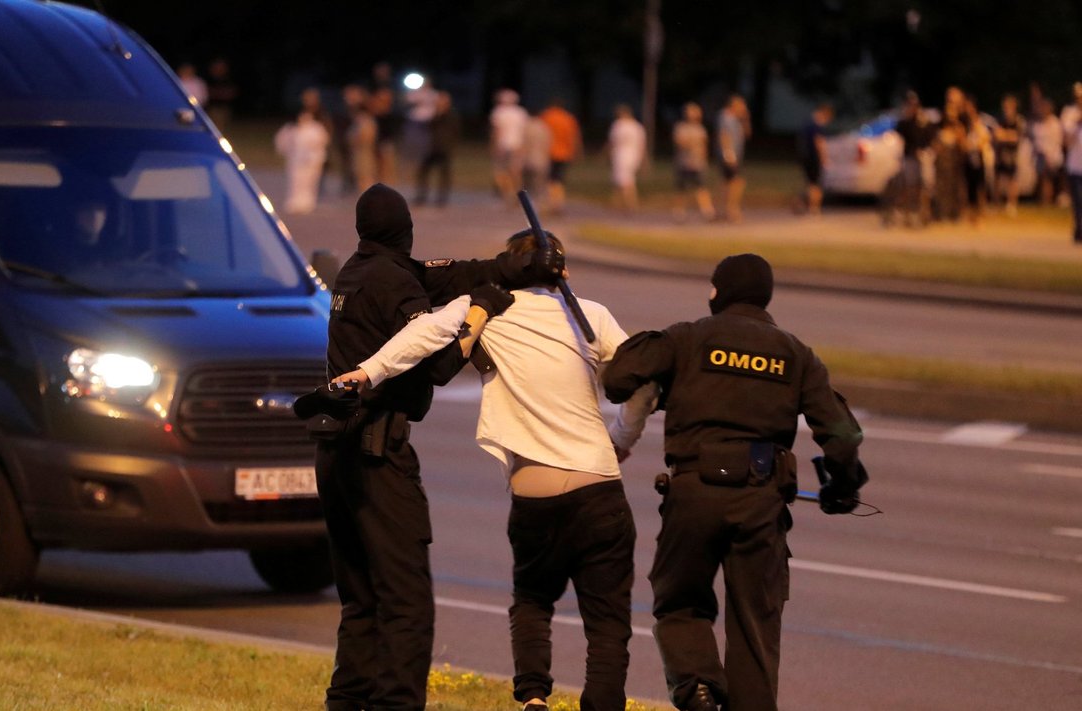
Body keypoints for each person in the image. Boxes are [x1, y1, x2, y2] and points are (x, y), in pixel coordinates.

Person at [332, 230, 656, 711]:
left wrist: (367, 371)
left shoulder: (489, 308)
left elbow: (422, 336)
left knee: (531, 602)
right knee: (607, 621)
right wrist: (622, 438)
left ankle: (533, 699)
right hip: (598, 485)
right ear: (561, 271)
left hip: (534, 492)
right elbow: (642, 378)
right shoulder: (592, 316)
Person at [303, 183, 564, 711]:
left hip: (336, 456)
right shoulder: (395, 282)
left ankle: (347, 702)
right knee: (406, 602)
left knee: (361, 601)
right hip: (378, 454)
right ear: (405, 230)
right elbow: (441, 365)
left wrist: (503, 267)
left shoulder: (357, 271)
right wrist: (483, 310)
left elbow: (442, 274)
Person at [602, 253, 867, 711]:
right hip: (760, 502)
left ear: (716, 292)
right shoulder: (796, 354)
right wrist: (840, 489)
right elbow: (842, 435)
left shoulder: (687, 338)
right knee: (755, 629)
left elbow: (619, 380)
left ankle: (698, 686)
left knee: (680, 602)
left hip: (694, 496)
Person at [890, 91, 934, 227]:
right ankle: (904, 214)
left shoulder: (922, 122)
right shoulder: (904, 123)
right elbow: (898, 135)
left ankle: (920, 214)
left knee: (923, 187)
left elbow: (928, 137)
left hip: (922, 158)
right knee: (908, 187)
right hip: (909, 158)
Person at [274, 110, 331, 214]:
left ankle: (307, 203)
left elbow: (322, 142)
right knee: (295, 181)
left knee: (309, 182)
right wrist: (286, 151)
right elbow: (282, 141)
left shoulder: (316, 129)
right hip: (296, 160)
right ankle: (294, 202)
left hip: (312, 160)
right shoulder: (292, 128)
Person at [413, 91, 459, 208]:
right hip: (431, 148)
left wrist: (450, 146)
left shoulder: (450, 115)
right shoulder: (434, 114)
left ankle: (441, 198)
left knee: (444, 174)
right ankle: (422, 196)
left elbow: (455, 132)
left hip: (443, 148)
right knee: (423, 171)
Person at [671, 102, 715, 222]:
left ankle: (707, 211)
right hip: (683, 162)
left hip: (697, 163)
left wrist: (704, 160)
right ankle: (679, 212)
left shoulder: (700, 129)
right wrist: (690, 144)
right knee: (681, 188)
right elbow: (679, 143)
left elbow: (704, 146)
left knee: (701, 187)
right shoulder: (681, 127)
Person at [540, 98, 582, 215]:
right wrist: (575, 151)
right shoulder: (568, 118)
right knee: (559, 179)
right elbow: (573, 137)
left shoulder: (546, 116)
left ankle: (551, 203)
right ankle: (558, 202)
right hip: (564, 153)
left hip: (548, 152)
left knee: (549, 180)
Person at [490, 89, 529, 206]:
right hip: (517, 145)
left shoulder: (499, 112)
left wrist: (494, 145)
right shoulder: (521, 112)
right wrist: (524, 146)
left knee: (501, 172)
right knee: (516, 172)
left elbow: (497, 131)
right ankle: (519, 195)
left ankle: (508, 194)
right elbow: (525, 131)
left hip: (503, 145)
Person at [717, 95, 751, 222]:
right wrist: (728, 154)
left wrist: (746, 119)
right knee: (737, 182)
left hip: (736, 155)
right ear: (734, 105)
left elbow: (747, 134)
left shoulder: (736, 120)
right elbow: (724, 136)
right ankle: (732, 209)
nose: (744, 108)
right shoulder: (726, 118)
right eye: (742, 105)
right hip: (730, 156)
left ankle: (726, 210)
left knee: (728, 183)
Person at [607, 104, 647, 213]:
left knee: (625, 181)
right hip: (634, 156)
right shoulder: (637, 126)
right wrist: (643, 160)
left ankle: (630, 204)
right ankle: (617, 203)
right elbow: (642, 145)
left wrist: (607, 154)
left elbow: (612, 142)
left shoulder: (618, 125)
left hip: (621, 155)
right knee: (622, 179)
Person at [795, 104, 833, 216]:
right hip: (814, 158)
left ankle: (804, 204)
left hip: (805, 157)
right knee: (816, 184)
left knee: (810, 183)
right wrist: (824, 159)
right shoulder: (817, 126)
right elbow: (819, 143)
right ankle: (814, 208)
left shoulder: (807, 123)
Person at [993, 94, 1026, 217]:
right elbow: (996, 135)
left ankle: (1011, 205)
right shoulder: (1000, 120)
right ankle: (997, 204)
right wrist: (1007, 135)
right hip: (1001, 155)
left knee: (1013, 181)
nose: (1006, 109)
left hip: (1013, 156)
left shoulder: (1019, 120)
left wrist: (1004, 135)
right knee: (998, 180)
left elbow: (1016, 137)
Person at [961, 97, 993, 226]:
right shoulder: (964, 123)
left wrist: (973, 144)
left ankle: (980, 213)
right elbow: (963, 142)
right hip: (968, 159)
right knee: (970, 188)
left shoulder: (980, 122)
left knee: (980, 186)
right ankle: (970, 214)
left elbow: (984, 139)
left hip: (978, 158)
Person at [1029, 96, 1064, 206]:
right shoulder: (1037, 123)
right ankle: (1044, 201)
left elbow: (1058, 141)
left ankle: (1050, 200)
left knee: (1050, 179)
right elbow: (1035, 140)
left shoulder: (1055, 123)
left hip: (1053, 155)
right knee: (1042, 179)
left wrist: (1050, 154)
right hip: (1040, 156)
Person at [1063, 82, 1082, 244]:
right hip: (1075, 165)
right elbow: (1067, 139)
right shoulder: (1069, 113)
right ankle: (1079, 229)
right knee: (1077, 200)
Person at [204, 57, 238, 132]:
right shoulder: (209, 79)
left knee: (223, 124)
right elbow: (207, 92)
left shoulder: (228, 79)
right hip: (212, 107)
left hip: (224, 106)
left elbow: (232, 92)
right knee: (213, 124)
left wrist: (222, 93)